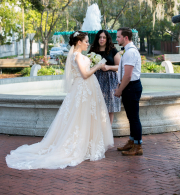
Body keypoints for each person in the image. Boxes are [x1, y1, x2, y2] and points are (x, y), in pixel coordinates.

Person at [6, 31, 114, 170]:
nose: (88, 43)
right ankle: (81, 146)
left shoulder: (76, 55)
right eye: (86, 41)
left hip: (84, 89)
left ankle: (87, 143)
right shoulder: (77, 56)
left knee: (84, 117)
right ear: (79, 42)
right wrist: (98, 66)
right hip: (83, 88)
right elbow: (85, 74)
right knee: (80, 118)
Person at [114, 27, 143, 156]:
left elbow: (128, 75)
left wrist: (119, 90)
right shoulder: (128, 50)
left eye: (118, 37)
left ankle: (138, 146)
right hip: (129, 87)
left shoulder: (130, 52)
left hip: (131, 87)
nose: (117, 39)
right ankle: (132, 142)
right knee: (131, 118)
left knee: (134, 118)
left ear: (126, 38)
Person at [89, 30, 121, 125]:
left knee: (110, 107)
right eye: (100, 37)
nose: (101, 39)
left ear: (107, 39)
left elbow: (119, 66)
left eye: (104, 37)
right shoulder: (93, 50)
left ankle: (108, 131)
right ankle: (98, 130)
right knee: (97, 105)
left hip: (110, 80)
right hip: (96, 79)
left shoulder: (113, 50)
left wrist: (108, 67)